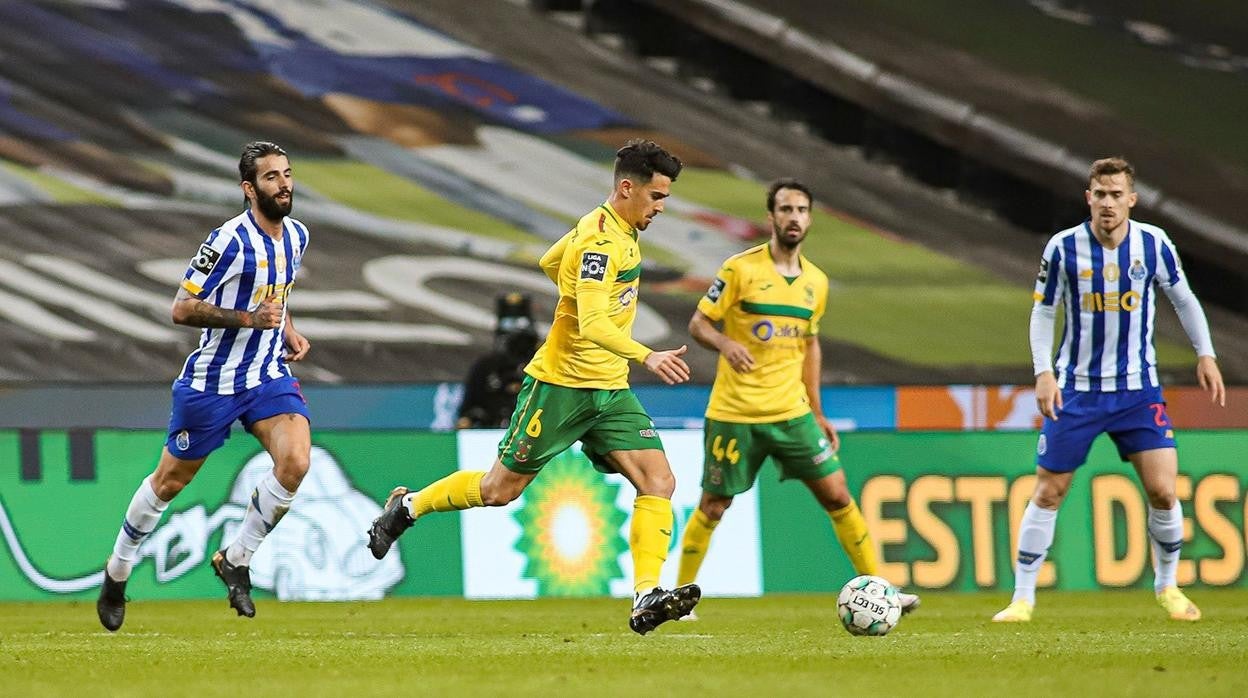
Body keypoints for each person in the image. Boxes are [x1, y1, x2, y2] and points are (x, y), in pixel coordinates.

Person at [367, 139, 701, 634]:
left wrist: (578, 297)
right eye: (656, 197)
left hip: (608, 390)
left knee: (658, 481)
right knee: (498, 490)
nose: (660, 208)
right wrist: (646, 354)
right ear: (627, 188)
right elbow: (590, 323)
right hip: (561, 386)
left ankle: (645, 594)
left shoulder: (611, 228)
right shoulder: (600, 243)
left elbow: (549, 261)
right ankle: (408, 506)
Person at [993, 157, 1225, 623]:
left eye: (1116, 195)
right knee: (1049, 491)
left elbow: (1184, 299)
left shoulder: (1153, 244)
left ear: (1131, 200)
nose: (1107, 203)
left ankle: (1168, 587)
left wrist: (1206, 353)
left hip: (1139, 392)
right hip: (1076, 391)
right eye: (1099, 194)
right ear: (1088, 198)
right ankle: (1022, 599)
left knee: (1162, 490)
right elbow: (1043, 312)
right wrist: (1043, 372)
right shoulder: (1062, 249)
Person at [96, 141, 314, 631]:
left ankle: (237, 558)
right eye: (272, 177)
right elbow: (180, 307)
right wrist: (248, 319)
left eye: (287, 174)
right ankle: (118, 570)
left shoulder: (296, 235)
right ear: (248, 188)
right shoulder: (229, 240)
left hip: (265, 376)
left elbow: (275, 292)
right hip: (212, 382)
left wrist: (287, 328)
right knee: (169, 482)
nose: (284, 184)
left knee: (297, 460)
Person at [676, 178, 919, 617]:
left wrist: (820, 412)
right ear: (771, 217)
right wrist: (726, 344)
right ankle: (680, 595)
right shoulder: (740, 270)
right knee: (713, 504)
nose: (794, 217)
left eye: (802, 210)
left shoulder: (816, 284)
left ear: (810, 218)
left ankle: (883, 590)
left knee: (838, 494)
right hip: (736, 414)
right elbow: (699, 324)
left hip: (792, 413)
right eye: (786, 209)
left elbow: (810, 345)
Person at [456, 293, 540, 429]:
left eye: (521, 324)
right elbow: (466, 413)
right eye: (508, 324)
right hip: (491, 433)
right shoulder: (485, 367)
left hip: (534, 432)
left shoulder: (541, 364)